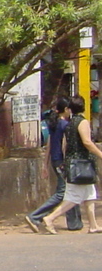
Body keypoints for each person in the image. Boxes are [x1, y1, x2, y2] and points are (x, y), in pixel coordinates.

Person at [39, 95, 102, 234]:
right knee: (73, 198)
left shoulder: (70, 123)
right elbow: (87, 142)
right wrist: (100, 154)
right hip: (81, 164)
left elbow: (64, 145)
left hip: (74, 163)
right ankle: (50, 218)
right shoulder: (82, 122)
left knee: (90, 194)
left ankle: (93, 225)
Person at [26, 98, 82, 232]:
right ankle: (35, 216)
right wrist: (67, 161)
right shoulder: (64, 125)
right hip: (61, 161)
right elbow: (64, 145)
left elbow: (50, 145)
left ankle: (74, 223)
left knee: (71, 190)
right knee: (63, 192)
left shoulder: (54, 124)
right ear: (66, 110)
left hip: (55, 160)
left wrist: (45, 164)